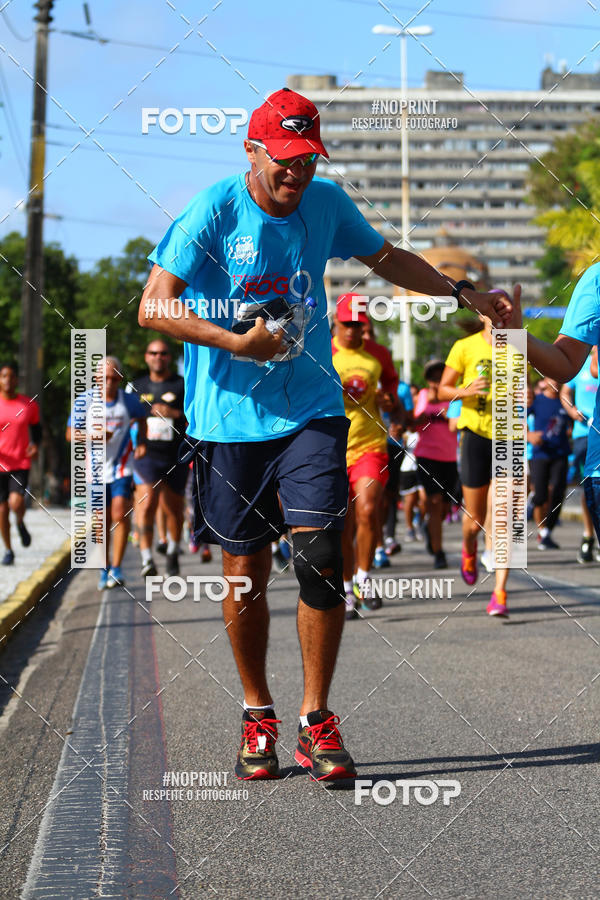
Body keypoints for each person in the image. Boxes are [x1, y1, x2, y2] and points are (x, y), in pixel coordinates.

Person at [138, 87, 514, 782]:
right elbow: (153, 307)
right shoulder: (214, 209)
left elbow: (390, 258)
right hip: (229, 420)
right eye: (283, 159)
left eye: (306, 159)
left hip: (312, 407)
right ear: (251, 150)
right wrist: (235, 343)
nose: (296, 174)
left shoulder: (328, 202)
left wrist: (463, 293)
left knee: (318, 555)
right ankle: (258, 712)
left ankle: (316, 717)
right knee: (244, 574)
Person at [508, 279, 600, 550]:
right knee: (543, 492)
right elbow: (565, 364)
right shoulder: (596, 280)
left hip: (562, 448)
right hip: (553, 450)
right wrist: (518, 338)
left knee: (557, 490)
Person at [332, 294, 402, 618]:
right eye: (346, 324)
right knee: (343, 525)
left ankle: (363, 579)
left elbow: (393, 395)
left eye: (357, 325)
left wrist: (390, 402)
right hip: (331, 449)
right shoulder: (322, 351)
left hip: (370, 445)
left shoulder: (379, 355)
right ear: (336, 322)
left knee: (368, 509)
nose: (351, 330)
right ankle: (347, 588)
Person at [439, 317, 512, 617]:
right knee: (475, 519)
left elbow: (527, 391)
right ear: (482, 315)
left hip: (508, 436)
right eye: (493, 311)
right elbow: (442, 390)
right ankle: (469, 546)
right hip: (475, 437)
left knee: (504, 514)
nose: (499, 317)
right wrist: (466, 390)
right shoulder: (464, 347)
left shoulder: (517, 347)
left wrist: (526, 396)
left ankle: (500, 593)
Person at [67, 357, 147, 589]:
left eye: (113, 378)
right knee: (102, 521)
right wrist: (93, 437)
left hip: (122, 467)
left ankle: (117, 568)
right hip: (95, 471)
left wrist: (141, 442)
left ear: (119, 379)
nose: (109, 383)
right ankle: (104, 569)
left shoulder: (129, 401)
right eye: (104, 378)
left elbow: (142, 419)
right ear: (96, 378)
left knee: (120, 514)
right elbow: (70, 435)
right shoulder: (85, 402)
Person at [129, 340, 189, 578]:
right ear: (146, 357)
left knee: (174, 509)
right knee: (146, 504)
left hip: (175, 455)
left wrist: (173, 413)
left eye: (163, 353)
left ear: (169, 358)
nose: (158, 357)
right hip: (147, 454)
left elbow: (195, 414)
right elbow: (126, 418)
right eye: (153, 353)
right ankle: (147, 560)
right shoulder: (136, 386)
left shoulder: (181, 384)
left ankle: (173, 551)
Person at [413, 360, 458, 570]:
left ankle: (429, 528)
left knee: (444, 509)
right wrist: (428, 405)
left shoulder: (455, 396)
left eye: (441, 377)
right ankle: (439, 553)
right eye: (433, 377)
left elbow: (457, 426)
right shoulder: (423, 396)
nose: (436, 381)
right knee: (435, 501)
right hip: (427, 457)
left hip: (449, 458)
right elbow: (415, 424)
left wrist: (454, 416)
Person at [0, 362, 41, 565]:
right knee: (1, 510)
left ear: (16, 380)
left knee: (15, 503)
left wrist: (36, 446)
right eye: (4, 376)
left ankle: (20, 521)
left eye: (11, 376)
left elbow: (36, 428)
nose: (8, 380)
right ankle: (8, 550)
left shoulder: (28, 405)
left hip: (19, 462)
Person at [560, 348, 599, 562]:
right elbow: (565, 393)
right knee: (591, 487)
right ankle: (587, 536)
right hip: (584, 434)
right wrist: (572, 409)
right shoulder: (580, 366)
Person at [528, 377, 571, 550]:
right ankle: (541, 528)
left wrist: (570, 429)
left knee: (559, 492)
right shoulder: (537, 401)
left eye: (558, 377)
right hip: (540, 454)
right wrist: (528, 435)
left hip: (560, 453)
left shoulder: (565, 401)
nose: (556, 381)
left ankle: (546, 532)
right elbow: (517, 418)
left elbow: (572, 421)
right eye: (552, 377)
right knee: (541, 495)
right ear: (545, 380)